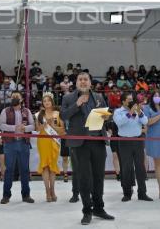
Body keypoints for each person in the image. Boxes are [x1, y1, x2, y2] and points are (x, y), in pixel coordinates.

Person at [60, 72, 114, 225]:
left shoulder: (98, 97)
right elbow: (63, 116)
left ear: (90, 82)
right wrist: (77, 104)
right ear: (76, 82)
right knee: (84, 178)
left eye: (86, 79)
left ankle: (98, 208)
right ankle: (87, 211)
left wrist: (107, 117)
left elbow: (106, 115)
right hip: (79, 144)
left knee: (98, 177)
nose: (83, 82)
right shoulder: (68, 98)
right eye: (80, 79)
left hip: (98, 140)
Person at [113, 91, 153, 202]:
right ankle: (127, 193)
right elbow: (120, 123)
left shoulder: (138, 109)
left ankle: (142, 193)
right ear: (123, 101)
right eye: (129, 100)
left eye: (132, 99)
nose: (132, 102)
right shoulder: (118, 112)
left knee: (140, 167)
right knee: (126, 168)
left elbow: (145, 121)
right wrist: (130, 112)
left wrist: (139, 112)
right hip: (124, 141)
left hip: (138, 140)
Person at [0, 90, 35, 204]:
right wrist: (15, 127)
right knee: (9, 169)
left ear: (21, 99)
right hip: (10, 143)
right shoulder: (5, 111)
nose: (14, 98)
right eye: (13, 96)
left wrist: (25, 129)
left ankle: (26, 195)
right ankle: (6, 195)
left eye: (17, 96)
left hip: (24, 143)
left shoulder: (27, 111)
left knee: (24, 170)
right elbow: (1, 125)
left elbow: (32, 126)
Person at [35, 93, 65, 202]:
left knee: (52, 166)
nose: (47, 102)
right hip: (43, 142)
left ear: (52, 102)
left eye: (48, 100)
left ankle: (53, 190)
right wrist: (44, 124)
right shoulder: (39, 115)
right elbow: (37, 129)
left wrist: (53, 126)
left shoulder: (58, 114)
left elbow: (62, 130)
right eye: (44, 101)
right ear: (43, 103)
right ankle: (47, 191)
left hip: (54, 141)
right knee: (45, 166)